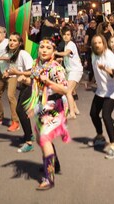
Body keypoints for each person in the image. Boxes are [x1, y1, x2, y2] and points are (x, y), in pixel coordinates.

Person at [29, 37, 70, 190]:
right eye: (41, 47)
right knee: (41, 137)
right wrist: (20, 76)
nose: (44, 50)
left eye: (48, 47)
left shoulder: (56, 68)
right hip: (42, 105)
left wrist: (49, 82)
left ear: (53, 51)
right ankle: (54, 164)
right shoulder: (37, 64)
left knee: (45, 138)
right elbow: (34, 81)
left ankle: (49, 177)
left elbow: (65, 89)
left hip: (55, 106)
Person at [89, 34, 114, 159]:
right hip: (101, 90)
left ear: (104, 43)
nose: (97, 45)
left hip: (112, 90)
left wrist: (105, 69)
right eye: (95, 43)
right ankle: (100, 136)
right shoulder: (93, 55)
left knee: (106, 116)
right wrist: (91, 82)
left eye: (100, 42)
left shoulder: (108, 55)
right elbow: (95, 71)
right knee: (93, 113)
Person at [3, 33, 34, 152]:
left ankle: (29, 142)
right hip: (25, 85)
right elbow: (16, 70)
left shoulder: (23, 54)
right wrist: (9, 73)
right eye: (10, 40)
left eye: (14, 40)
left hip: (31, 85)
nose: (11, 42)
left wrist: (19, 73)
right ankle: (29, 135)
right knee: (20, 110)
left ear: (20, 43)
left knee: (20, 110)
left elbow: (32, 71)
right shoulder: (13, 54)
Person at [57, 26, 83, 119]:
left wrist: (55, 53)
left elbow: (66, 53)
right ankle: (75, 109)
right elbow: (66, 56)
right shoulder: (66, 44)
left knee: (68, 91)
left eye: (68, 35)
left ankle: (71, 113)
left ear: (71, 36)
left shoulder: (71, 44)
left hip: (75, 70)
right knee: (71, 91)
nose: (66, 36)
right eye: (64, 34)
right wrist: (60, 59)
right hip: (70, 71)